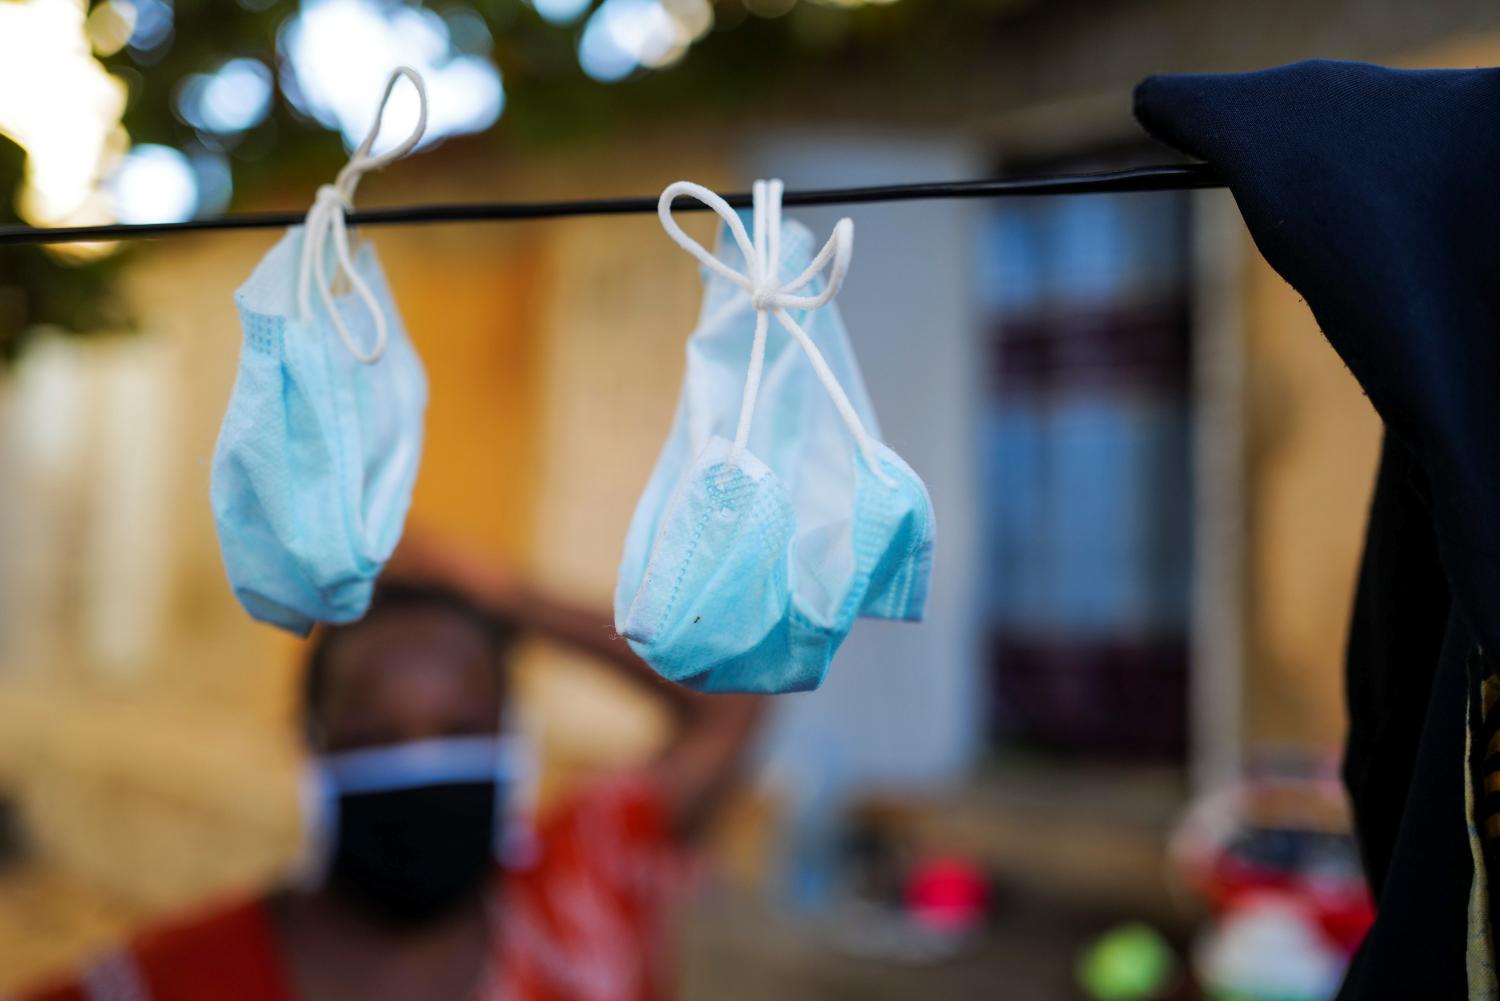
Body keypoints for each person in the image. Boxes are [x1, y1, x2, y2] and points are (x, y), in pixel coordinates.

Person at [19, 538, 763, 1001]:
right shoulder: (167, 983)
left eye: (460, 729)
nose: (421, 760)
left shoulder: (580, 893)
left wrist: (503, 593)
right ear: (311, 749)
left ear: (513, 745)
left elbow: (731, 695)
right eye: (376, 733)